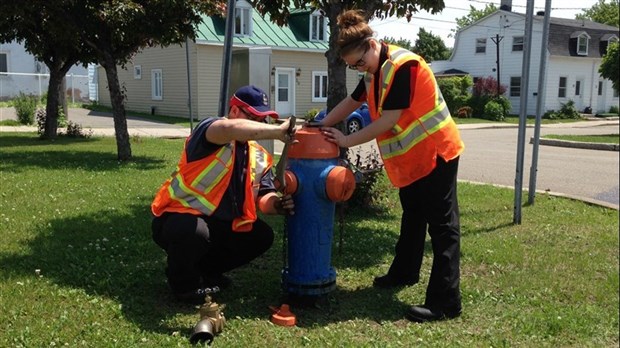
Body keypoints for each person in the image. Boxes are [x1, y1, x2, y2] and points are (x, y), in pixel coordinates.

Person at [319, 10, 465, 323]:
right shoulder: (374, 70)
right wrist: (319, 124)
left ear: (371, 45)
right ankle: (404, 273)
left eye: (358, 63)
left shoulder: (403, 66)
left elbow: (388, 119)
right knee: (413, 215)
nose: (358, 69)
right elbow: (352, 102)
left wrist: (345, 141)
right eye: (352, 66)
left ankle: (445, 302)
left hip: (437, 152)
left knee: (443, 228)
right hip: (415, 159)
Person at [151, 85, 296, 304]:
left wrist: (277, 205)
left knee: (261, 236)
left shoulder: (259, 155)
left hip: (221, 223)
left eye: (263, 119)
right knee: (195, 233)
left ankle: (207, 271)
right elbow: (230, 128)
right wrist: (277, 132)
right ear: (235, 111)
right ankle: (183, 285)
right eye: (253, 117)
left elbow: (263, 198)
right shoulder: (210, 131)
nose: (259, 125)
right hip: (176, 217)